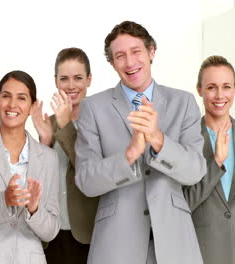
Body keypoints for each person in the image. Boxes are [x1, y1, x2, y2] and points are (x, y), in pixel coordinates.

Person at [75, 21, 206, 264]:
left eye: (136, 51)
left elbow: (195, 170)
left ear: (151, 51)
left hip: (175, 243)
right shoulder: (93, 108)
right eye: (120, 56)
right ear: (112, 63)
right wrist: (129, 154)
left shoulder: (184, 102)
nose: (130, 62)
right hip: (116, 245)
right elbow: (86, 181)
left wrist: (158, 139)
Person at [0, 70, 60, 264]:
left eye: (22, 98)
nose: (12, 105)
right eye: (6, 96)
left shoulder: (48, 157)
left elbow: (51, 231)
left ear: (33, 106)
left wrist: (34, 209)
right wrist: (3, 200)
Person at [31, 48, 98, 263]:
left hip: (85, 234)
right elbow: (35, 179)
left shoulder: (99, 123)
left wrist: (66, 125)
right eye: (64, 78)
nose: (71, 86)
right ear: (55, 81)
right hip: (50, 234)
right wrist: (45, 142)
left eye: (78, 78)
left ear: (89, 79)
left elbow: (90, 173)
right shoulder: (47, 123)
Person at [183, 55, 235, 263]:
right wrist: (216, 162)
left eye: (227, 86)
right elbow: (183, 204)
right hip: (203, 251)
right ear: (199, 90)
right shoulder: (186, 140)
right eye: (211, 87)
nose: (220, 95)